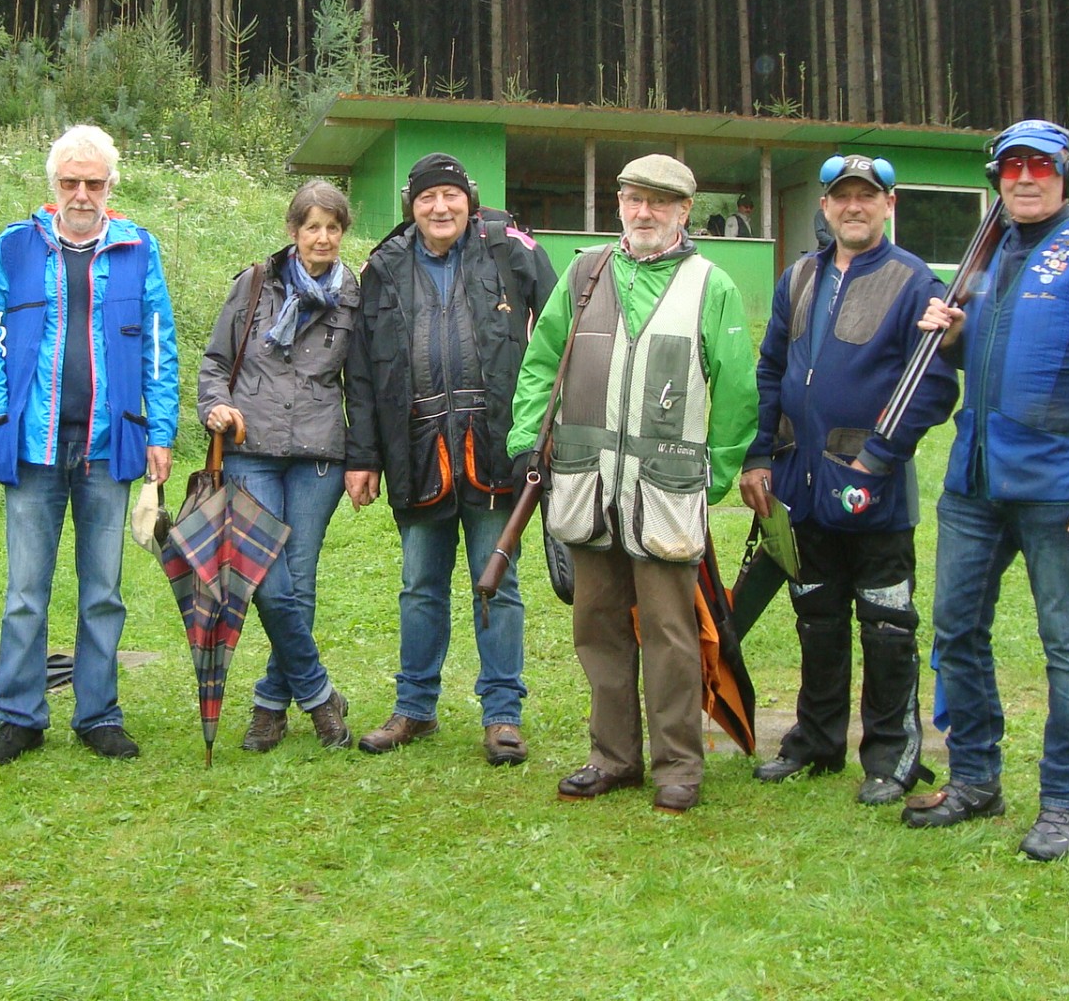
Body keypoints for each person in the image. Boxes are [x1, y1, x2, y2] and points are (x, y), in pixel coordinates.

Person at [908, 119, 1069, 860]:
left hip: (1059, 486)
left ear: (1065, 176)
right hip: (974, 482)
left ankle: (1065, 803)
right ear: (996, 178)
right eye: (1011, 167)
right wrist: (951, 335)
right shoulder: (988, 253)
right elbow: (988, 356)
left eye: (1040, 167)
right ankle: (975, 779)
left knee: (1066, 645)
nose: (1024, 178)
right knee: (955, 630)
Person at [509, 155, 758, 814]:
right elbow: (541, 363)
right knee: (597, 629)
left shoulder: (712, 286)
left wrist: (712, 478)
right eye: (633, 199)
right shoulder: (584, 274)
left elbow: (737, 392)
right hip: (587, 486)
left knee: (671, 635)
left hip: (666, 492)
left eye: (659, 202)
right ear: (618, 204)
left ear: (683, 211)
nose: (644, 212)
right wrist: (525, 439)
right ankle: (612, 759)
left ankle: (679, 766)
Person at [738, 155, 958, 806]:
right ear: (827, 206)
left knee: (888, 628)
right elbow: (771, 369)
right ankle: (816, 741)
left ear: (889, 204)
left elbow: (934, 386)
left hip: (874, 493)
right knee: (817, 619)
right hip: (800, 487)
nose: (854, 206)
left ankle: (891, 756)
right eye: (843, 196)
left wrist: (878, 459)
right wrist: (759, 457)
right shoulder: (799, 276)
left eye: (868, 196)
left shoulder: (917, 282)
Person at [0, 124, 179, 765]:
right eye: (70, 181)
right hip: (32, 446)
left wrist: (161, 431)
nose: (81, 193)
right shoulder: (14, 246)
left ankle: (98, 715)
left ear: (111, 186)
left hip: (109, 447)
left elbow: (158, 345)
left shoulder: (139, 248)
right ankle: (19, 717)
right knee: (25, 593)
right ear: (53, 184)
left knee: (103, 592)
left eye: (93, 182)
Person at [345, 152, 559, 765]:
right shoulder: (383, 266)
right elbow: (361, 372)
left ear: (470, 200)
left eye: (451, 196)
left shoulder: (511, 250)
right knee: (419, 586)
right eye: (427, 198)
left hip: (492, 444)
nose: (440, 208)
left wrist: (542, 431)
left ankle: (502, 714)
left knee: (498, 584)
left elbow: (561, 332)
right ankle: (414, 708)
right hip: (417, 449)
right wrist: (364, 456)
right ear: (411, 206)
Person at [197, 181, 360, 752]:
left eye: (333, 227)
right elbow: (215, 363)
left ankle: (270, 704)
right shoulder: (254, 284)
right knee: (267, 581)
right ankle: (318, 696)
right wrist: (215, 406)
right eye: (312, 227)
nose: (323, 238)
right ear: (293, 232)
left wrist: (365, 458)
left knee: (300, 580)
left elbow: (362, 384)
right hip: (252, 450)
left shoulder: (354, 295)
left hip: (319, 456)